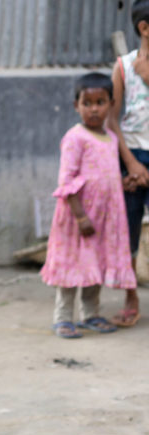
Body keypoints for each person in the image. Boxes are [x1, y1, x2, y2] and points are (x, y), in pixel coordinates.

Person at [42, 73, 136, 338]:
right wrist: (81, 217)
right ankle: (62, 318)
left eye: (100, 102)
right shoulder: (75, 138)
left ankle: (90, 314)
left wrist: (123, 183)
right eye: (87, 103)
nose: (94, 108)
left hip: (104, 219)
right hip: (78, 218)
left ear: (111, 104)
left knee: (96, 264)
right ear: (76, 105)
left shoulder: (112, 138)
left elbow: (105, 174)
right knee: (72, 265)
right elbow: (67, 180)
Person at [108, 0, 149, 328]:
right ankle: (131, 296)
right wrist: (131, 164)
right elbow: (112, 122)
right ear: (144, 28)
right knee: (129, 230)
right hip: (132, 156)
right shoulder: (122, 67)